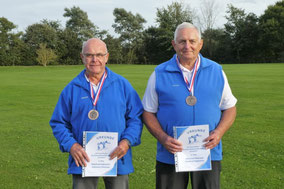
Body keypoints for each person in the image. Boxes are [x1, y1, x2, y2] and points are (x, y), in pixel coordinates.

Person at [142, 22, 237, 189]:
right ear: (174, 44)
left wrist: (219, 132)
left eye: (192, 41)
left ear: (200, 43)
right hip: (170, 154)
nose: (187, 46)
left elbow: (229, 107)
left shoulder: (217, 71)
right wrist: (163, 138)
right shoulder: (159, 73)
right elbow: (148, 112)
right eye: (182, 41)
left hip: (208, 153)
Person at [50, 38, 143, 189]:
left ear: (107, 57)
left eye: (99, 55)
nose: (95, 60)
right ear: (82, 57)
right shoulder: (71, 88)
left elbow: (136, 117)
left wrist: (126, 142)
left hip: (117, 157)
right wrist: (72, 145)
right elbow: (58, 122)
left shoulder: (122, 85)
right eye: (89, 55)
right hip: (83, 159)